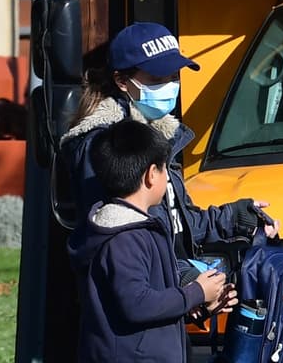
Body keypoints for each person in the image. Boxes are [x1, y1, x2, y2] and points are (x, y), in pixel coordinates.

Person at [60, 22, 278, 291]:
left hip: (170, 300)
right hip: (138, 310)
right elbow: (115, 243)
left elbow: (176, 221)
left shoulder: (160, 134)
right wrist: (184, 281)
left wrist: (236, 217)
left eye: (174, 76)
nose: (169, 86)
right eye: (157, 79)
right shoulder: (104, 147)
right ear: (121, 81)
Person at [68, 118, 236, 362]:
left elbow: (149, 306)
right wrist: (196, 292)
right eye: (164, 168)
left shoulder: (136, 230)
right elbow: (137, 304)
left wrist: (196, 309)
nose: (167, 176)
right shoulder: (124, 237)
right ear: (150, 175)